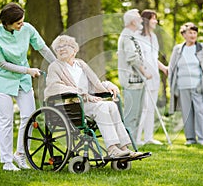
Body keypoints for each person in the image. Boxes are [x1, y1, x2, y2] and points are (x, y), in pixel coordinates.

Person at [44, 35, 143, 158]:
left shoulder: (80, 65)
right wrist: (81, 93)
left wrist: (108, 85)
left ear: (74, 50)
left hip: (86, 103)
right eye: (58, 47)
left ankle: (124, 148)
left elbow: (94, 84)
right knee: (101, 107)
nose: (61, 49)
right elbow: (54, 87)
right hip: (70, 106)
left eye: (64, 46)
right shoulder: (55, 66)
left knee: (111, 105)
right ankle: (112, 149)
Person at [0, 2, 56, 171]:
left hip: (22, 81)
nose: (22, 25)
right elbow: (1, 63)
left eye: (22, 21)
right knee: (6, 121)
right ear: (7, 23)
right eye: (18, 23)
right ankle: (7, 162)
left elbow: (43, 48)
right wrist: (28, 70)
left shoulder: (27, 29)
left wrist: (58, 65)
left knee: (29, 116)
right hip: (2, 81)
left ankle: (20, 154)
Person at [168, 22, 203, 145]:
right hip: (182, 86)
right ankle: (190, 138)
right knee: (187, 114)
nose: (193, 35)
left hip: (198, 85)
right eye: (190, 33)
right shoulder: (178, 49)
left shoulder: (202, 47)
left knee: (201, 112)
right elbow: (171, 68)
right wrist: (171, 85)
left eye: (195, 33)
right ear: (184, 34)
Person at [117, 9, 152, 143]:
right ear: (132, 21)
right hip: (132, 81)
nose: (141, 20)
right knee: (131, 114)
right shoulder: (127, 36)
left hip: (137, 81)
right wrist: (145, 72)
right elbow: (132, 57)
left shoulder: (131, 36)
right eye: (139, 18)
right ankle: (127, 143)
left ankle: (133, 141)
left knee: (137, 113)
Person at [136, 10, 168, 146]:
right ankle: (136, 139)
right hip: (143, 76)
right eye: (153, 19)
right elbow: (137, 58)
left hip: (154, 76)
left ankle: (148, 137)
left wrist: (164, 68)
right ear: (146, 20)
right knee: (143, 107)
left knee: (151, 108)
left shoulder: (153, 37)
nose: (156, 21)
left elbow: (154, 58)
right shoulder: (137, 36)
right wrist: (142, 72)